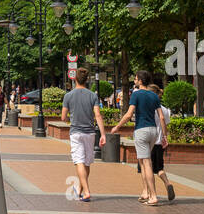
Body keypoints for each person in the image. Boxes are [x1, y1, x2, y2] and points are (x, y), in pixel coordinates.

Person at [111, 70, 164, 205]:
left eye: (135, 79)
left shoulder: (136, 94)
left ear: (140, 81)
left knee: (147, 163)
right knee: (142, 161)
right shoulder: (154, 96)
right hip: (153, 131)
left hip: (141, 130)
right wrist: (164, 135)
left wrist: (117, 126)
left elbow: (129, 115)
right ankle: (145, 192)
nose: (134, 81)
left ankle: (153, 196)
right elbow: (161, 117)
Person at [61, 68, 106, 202]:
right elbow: (97, 115)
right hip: (90, 132)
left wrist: (71, 119)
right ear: (87, 80)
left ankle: (86, 191)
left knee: (79, 161)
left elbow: (63, 117)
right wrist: (103, 134)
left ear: (75, 79)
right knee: (87, 163)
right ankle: (80, 190)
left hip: (75, 132)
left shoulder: (68, 96)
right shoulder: (93, 95)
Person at [147, 83, 176, 203]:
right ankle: (167, 183)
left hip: (151, 141)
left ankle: (150, 193)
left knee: (148, 168)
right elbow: (165, 125)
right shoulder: (165, 110)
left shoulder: (148, 108)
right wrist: (165, 137)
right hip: (160, 142)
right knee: (159, 168)